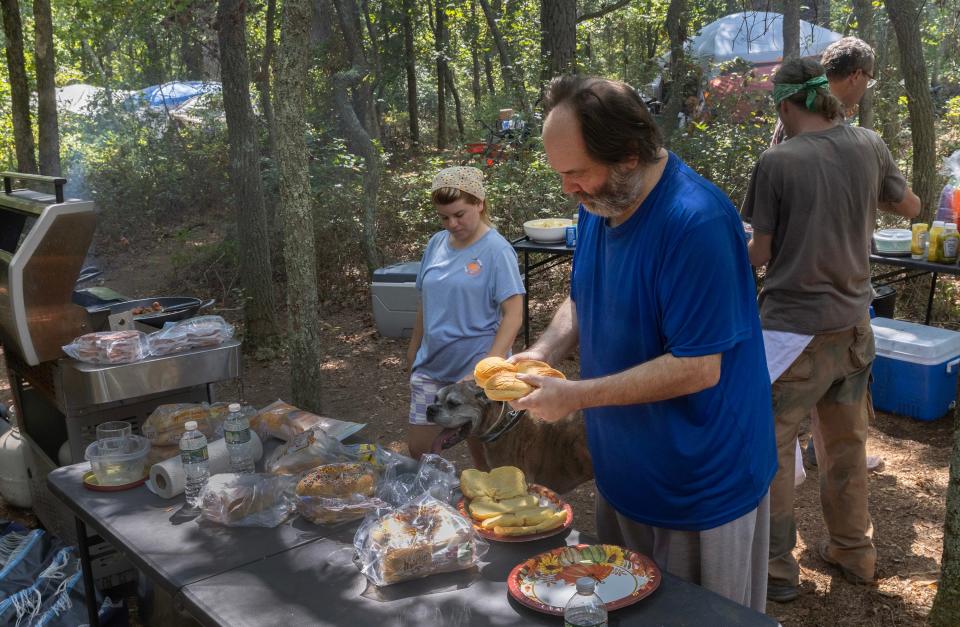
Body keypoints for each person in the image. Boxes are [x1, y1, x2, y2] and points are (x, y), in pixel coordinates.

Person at [509, 75, 777, 613]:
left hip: (699, 484)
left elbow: (698, 367)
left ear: (629, 155)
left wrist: (576, 397)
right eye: (561, 174)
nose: (569, 190)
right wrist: (544, 352)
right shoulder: (599, 206)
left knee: (694, 619)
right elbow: (584, 297)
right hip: (623, 469)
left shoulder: (694, 221)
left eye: (577, 173)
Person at [741, 58, 920, 603]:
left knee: (769, 452)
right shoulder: (868, 142)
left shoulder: (778, 162)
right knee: (845, 447)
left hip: (792, 333)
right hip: (853, 325)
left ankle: (775, 571)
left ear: (786, 105)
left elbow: (761, 253)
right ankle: (853, 553)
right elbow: (909, 206)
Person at [771, 37, 887, 475]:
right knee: (801, 396)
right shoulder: (811, 119)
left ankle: (818, 447)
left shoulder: (809, 116)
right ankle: (813, 447)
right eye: (867, 81)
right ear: (855, 75)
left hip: (824, 292)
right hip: (818, 295)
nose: (864, 90)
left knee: (823, 390)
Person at [405, 166, 524, 460]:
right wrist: (413, 348)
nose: (452, 224)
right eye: (444, 217)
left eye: (459, 214)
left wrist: (487, 368)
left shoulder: (497, 250)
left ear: (479, 203)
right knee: (420, 452)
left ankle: (485, 505)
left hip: (475, 369)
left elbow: (514, 314)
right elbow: (426, 300)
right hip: (432, 364)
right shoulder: (436, 244)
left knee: (484, 457)